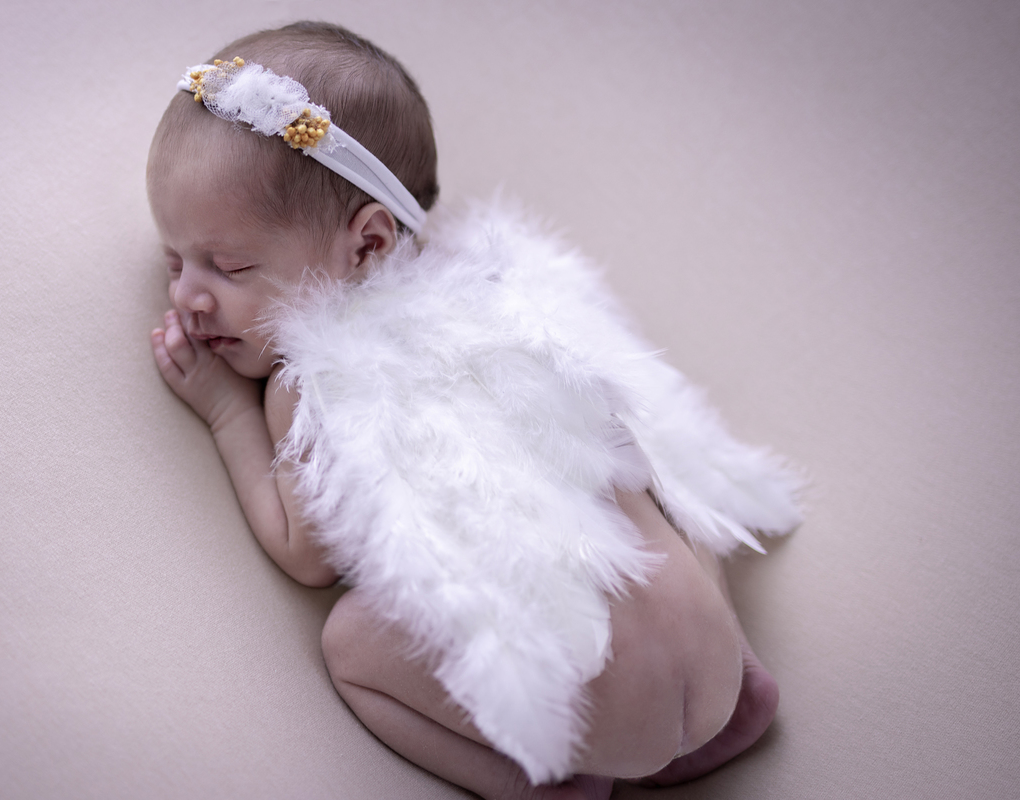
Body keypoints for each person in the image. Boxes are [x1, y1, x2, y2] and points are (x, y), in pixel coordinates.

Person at [148, 21, 799, 800]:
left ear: (369, 244)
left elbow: (305, 553)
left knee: (348, 647)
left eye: (229, 266)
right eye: (173, 261)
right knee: (646, 465)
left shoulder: (312, 381)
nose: (186, 296)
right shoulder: (498, 293)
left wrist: (227, 412)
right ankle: (737, 687)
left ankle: (538, 782)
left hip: (583, 715)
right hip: (710, 663)